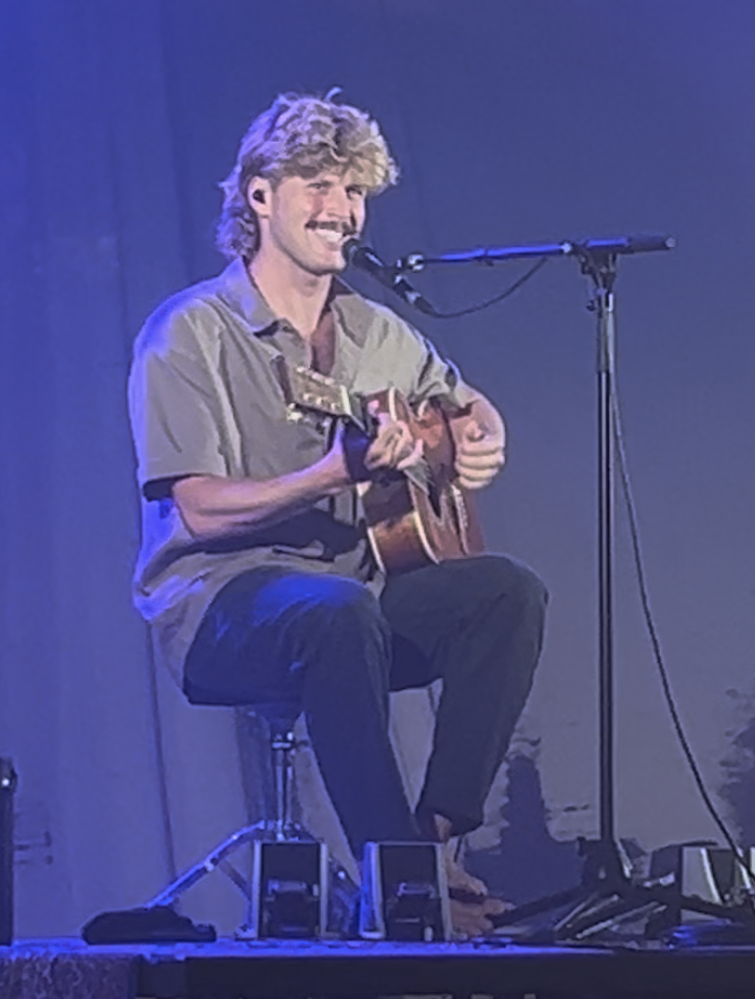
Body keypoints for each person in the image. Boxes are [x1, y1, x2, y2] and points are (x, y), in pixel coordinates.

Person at [129, 91, 547, 936]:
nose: (342, 208)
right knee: (340, 612)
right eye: (319, 183)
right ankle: (399, 884)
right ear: (258, 195)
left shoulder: (375, 331)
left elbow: (468, 407)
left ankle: (433, 843)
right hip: (221, 603)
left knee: (508, 592)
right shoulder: (189, 333)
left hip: (352, 599)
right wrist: (330, 472)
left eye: (353, 190)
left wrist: (477, 443)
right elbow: (200, 513)